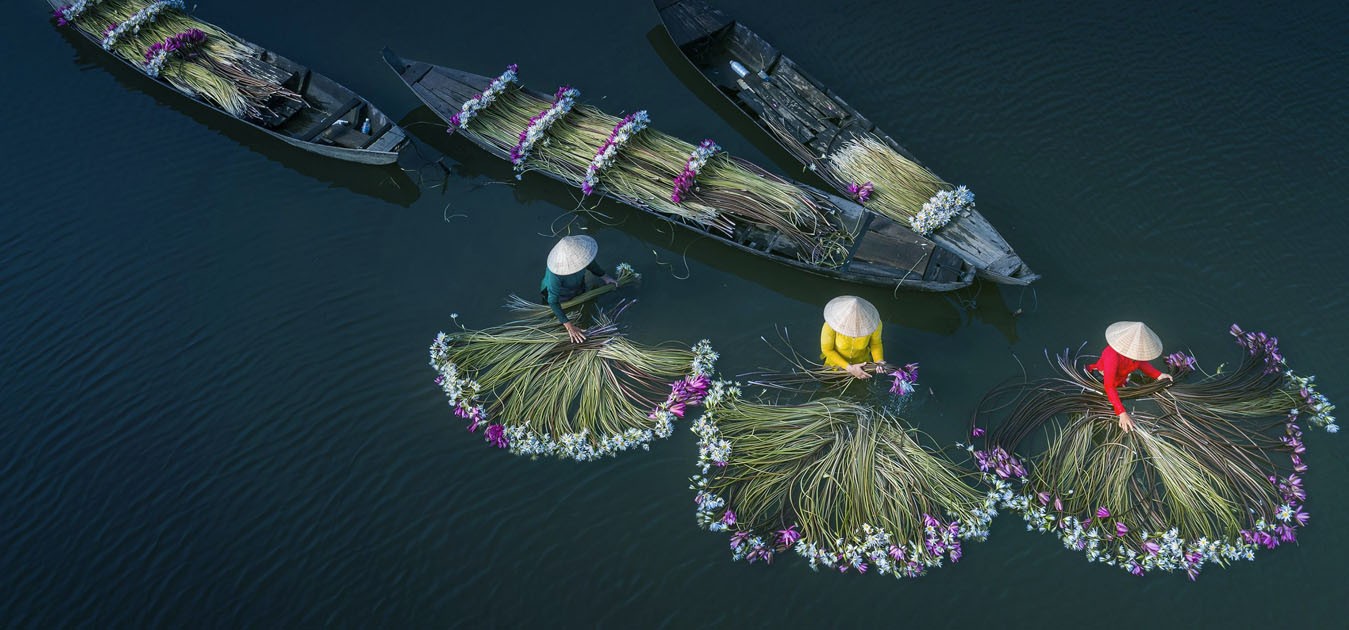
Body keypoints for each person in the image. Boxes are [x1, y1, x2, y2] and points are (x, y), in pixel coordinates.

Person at [1086, 321, 1174, 433]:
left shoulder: (1136, 355)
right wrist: (1121, 412)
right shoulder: (1111, 355)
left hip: (1121, 379)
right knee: (1108, 399)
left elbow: (1141, 364)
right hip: (1101, 379)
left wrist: (1159, 375)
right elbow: (1109, 386)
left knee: (1125, 391)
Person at [540, 235, 616, 343]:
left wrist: (605, 277)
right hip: (562, 293)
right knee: (570, 308)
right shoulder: (555, 274)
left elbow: (592, 265)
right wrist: (569, 326)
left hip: (578, 284)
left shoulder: (582, 256)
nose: (581, 263)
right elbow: (552, 301)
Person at [820, 296, 886, 379]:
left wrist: (878, 360)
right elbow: (827, 350)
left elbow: (875, 344)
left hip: (862, 366)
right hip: (835, 365)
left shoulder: (874, 324)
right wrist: (850, 368)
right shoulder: (831, 325)